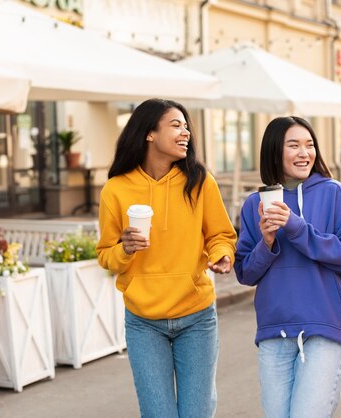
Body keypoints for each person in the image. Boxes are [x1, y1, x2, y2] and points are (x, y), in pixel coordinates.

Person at [96, 98, 237, 418]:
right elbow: (106, 256)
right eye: (176, 125)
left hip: (196, 316)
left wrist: (222, 256)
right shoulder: (116, 190)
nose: (185, 131)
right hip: (144, 322)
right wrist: (125, 249)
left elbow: (221, 235)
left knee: (197, 413)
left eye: (186, 126)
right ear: (149, 133)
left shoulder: (200, 181)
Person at [235, 116, 341, 418]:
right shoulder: (255, 205)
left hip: (325, 327)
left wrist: (295, 226)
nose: (305, 153)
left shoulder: (334, 193)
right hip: (274, 332)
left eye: (310, 145)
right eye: (294, 145)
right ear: (275, 151)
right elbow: (246, 273)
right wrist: (266, 242)